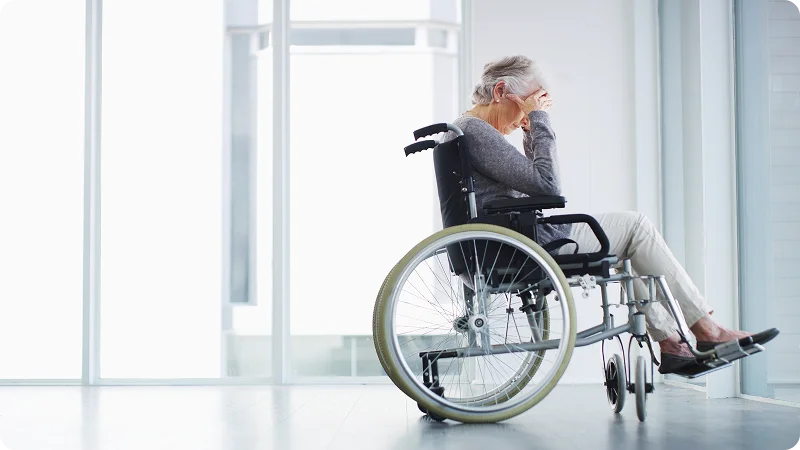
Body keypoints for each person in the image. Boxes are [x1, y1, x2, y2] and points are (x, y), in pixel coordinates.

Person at [454, 55, 778, 375]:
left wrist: (529, 130)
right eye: (527, 104)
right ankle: (707, 330)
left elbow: (535, 186)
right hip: (522, 242)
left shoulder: (465, 130)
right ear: (500, 92)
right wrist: (539, 119)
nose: (526, 114)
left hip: (511, 239)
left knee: (624, 243)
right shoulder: (477, 132)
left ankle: (673, 345)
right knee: (636, 227)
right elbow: (548, 186)